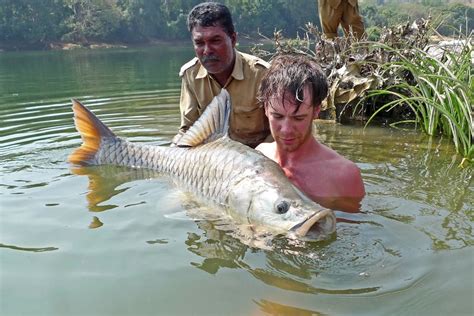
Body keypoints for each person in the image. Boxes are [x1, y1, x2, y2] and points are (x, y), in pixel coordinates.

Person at [255, 54, 365, 212]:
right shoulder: (259, 157)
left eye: (298, 118)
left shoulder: (344, 175)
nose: (286, 130)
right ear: (266, 108)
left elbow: (351, 232)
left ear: (316, 111)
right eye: (277, 116)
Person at [173, 2, 271, 148]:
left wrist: (258, 157)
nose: (207, 50)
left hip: (257, 159)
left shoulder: (263, 75)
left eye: (215, 41)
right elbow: (187, 130)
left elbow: (280, 131)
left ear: (233, 39)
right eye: (199, 43)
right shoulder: (191, 74)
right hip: (213, 160)